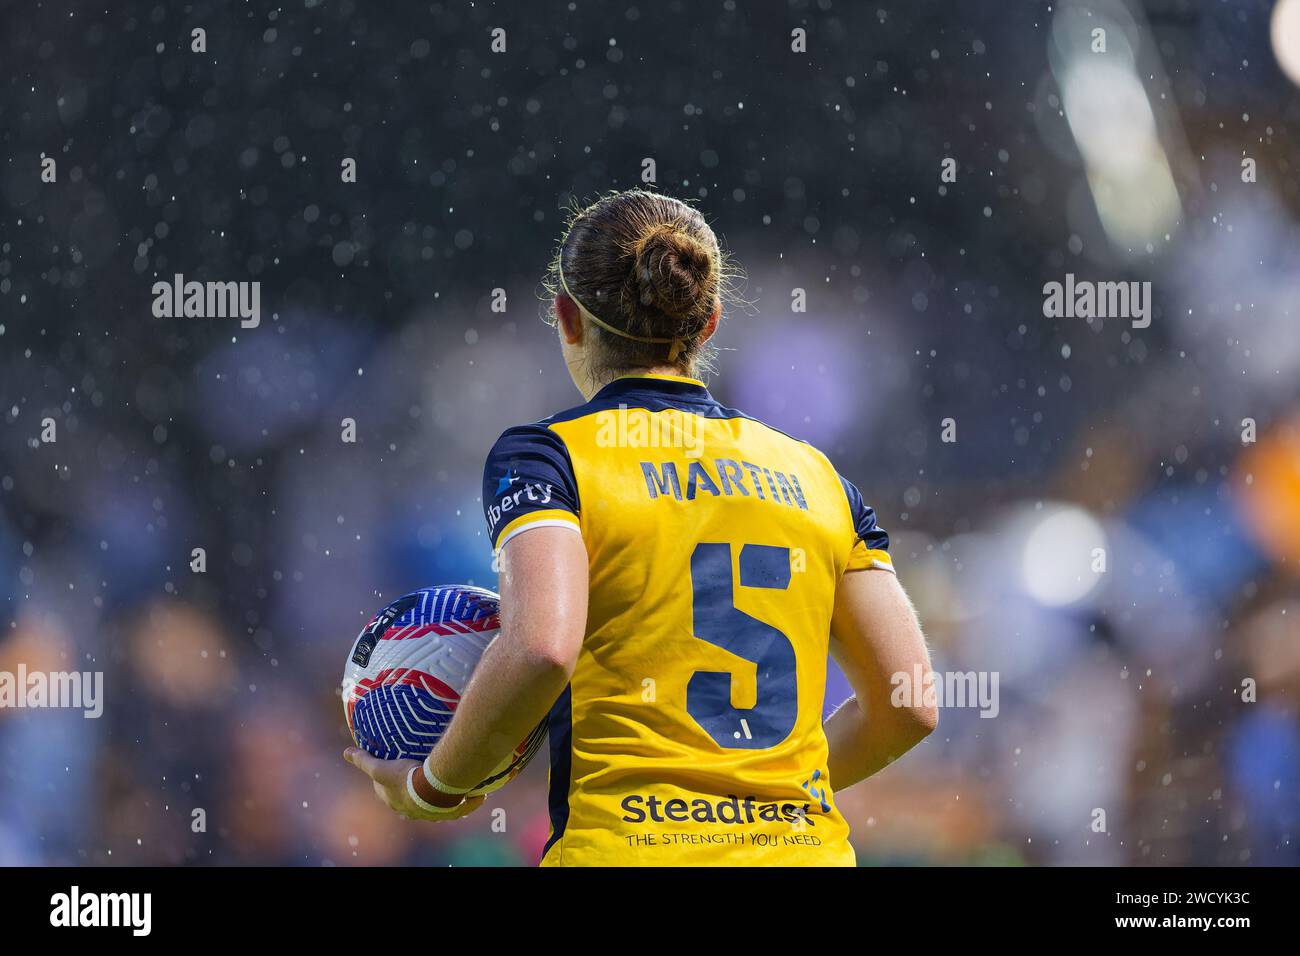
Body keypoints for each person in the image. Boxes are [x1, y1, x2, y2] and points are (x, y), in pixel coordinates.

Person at [345, 188, 936, 866]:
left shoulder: (547, 457)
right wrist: (756, 801)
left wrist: (433, 787)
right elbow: (909, 703)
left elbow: (540, 648)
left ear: (567, 317)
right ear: (709, 323)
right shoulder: (819, 478)